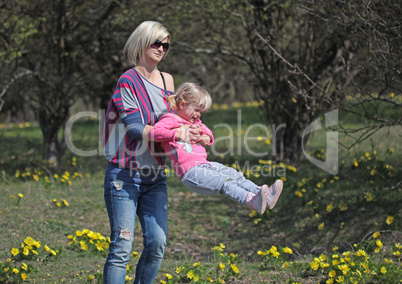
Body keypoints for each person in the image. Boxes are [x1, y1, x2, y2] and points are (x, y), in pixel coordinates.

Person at [102, 21, 195, 284]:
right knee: (122, 246)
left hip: (155, 176)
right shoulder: (127, 80)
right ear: (142, 42)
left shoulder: (168, 80)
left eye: (166, 45)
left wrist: (193, 131)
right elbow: (133, 128)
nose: (162, 49)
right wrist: (172, 133)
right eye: (157, 42)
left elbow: (175, 122)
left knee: (157, 243)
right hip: (124, 176)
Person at [148, 82, 284, 215]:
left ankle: (261, 194)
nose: (199, 115)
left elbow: (208, 133)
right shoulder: (170, 119)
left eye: (201, 112)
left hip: (204, 165)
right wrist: (176, 134)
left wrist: (205, 137)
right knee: (225, 183)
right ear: (182, 104)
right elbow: (154, 133)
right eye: (196, 110)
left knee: (234, 174)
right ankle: (250, 200)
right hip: (190, 172)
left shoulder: (195, 122)